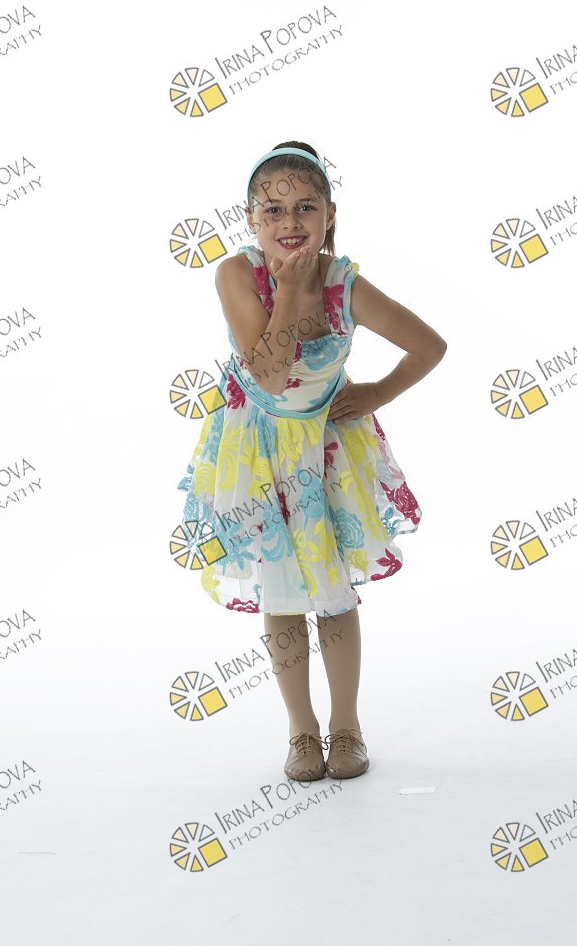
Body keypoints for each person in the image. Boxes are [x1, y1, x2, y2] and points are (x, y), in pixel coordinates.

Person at [177, 141, 447, 782]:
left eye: (305, 207)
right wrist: (291, 291)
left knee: (332, 592)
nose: (290, 222)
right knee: (282, 593)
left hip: (325, 452)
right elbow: (270, 376)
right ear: (251, 218)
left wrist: (376, 393)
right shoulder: (236, 275)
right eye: (272, 210)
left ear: (330, 214)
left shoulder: (344, 284)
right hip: (259, 453)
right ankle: (301, 730)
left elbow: (429, 346)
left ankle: (345, 725)